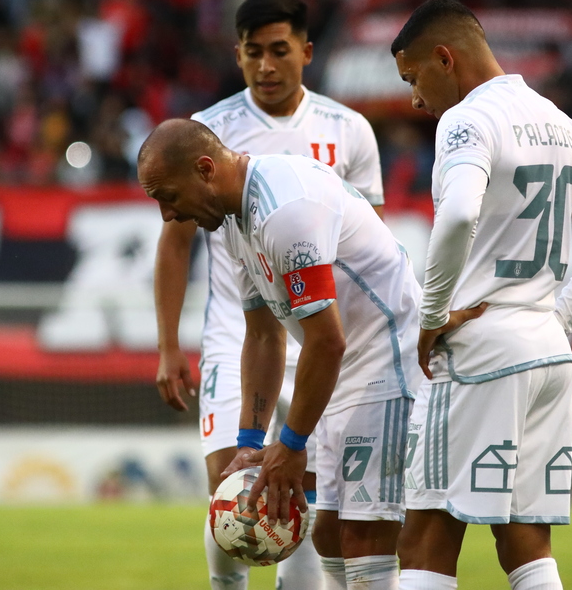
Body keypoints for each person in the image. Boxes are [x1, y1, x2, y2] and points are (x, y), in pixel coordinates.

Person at [390, 0, 572, 590]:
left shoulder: (467, 121)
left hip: (480, 354)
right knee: (526, 543)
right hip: (547, 354)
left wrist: (432, 313)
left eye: (413, 77)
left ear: (445, 58)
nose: (415, 99)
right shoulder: (557, 120)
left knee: (425, 540)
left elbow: (458, 215)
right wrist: (561, 317)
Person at [140, 119, 436, 590]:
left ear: (205, 169)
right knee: (329, 536)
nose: (167, 215)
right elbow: (263, 335)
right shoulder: (235, 221)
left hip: (388, 362)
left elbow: (327, 341)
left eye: (168, 196)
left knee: (365, 538)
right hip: (345, 372)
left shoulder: (284, 211)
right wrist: (250, 443)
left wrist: (292, 444)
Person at [154, 0, 384, 590]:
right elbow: (174, 243)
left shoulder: (350, 131)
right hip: (239, 330)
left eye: (279, 50)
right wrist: (168, 344)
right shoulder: (206, 131)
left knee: (300, 490)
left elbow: (366, 244)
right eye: (252, 52)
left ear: (306, 51)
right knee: (232, 482)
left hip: (320, 329)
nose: (265, 65)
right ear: (237, 55)